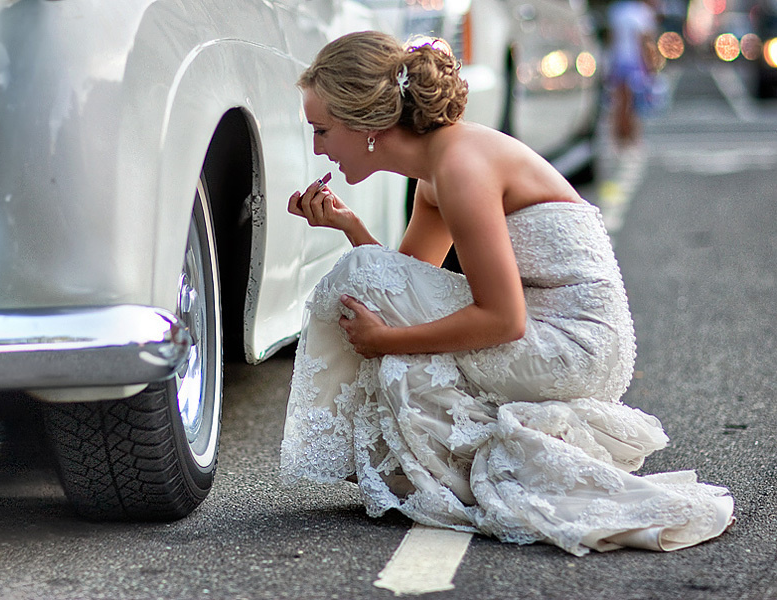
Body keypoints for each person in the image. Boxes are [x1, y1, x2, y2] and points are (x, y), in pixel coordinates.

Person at [278, 31, 733, 556]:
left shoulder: (460, 168)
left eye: (322, 130)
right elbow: (400, 281)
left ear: (369, 126)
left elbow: (503, 320)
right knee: (366, 282)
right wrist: (349, 226)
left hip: (572, 347)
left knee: (377, 311)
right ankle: (419, 462)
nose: (317, 149)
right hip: (550, 332)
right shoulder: (437, 170)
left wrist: (386, 342)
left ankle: (441, 468)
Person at [606, 0, 660, 145]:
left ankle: (620, 137)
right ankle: (631, 137)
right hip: (635, 63)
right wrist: (651, 67)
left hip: (618, 61)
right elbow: (645, 43)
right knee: (635, 105)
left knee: (620, 103)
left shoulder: (616, 10)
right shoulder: (643, 13)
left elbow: (612, 39)